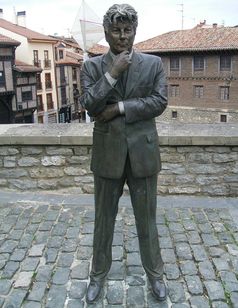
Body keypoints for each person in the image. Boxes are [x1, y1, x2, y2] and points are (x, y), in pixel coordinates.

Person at [79, 3, 168, 304]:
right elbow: (89, 105)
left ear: (134, 31)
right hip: (107, 155)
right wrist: (112, 74)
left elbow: (158, 102)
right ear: (106, 32)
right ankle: (97, 277)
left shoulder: (153, 64)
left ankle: (155, 275)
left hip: (143, 154)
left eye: (127, 30)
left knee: (147, 221)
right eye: (116, 30)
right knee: (104, 221)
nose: (121, 36)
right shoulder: (91, 67)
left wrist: (118, 108)